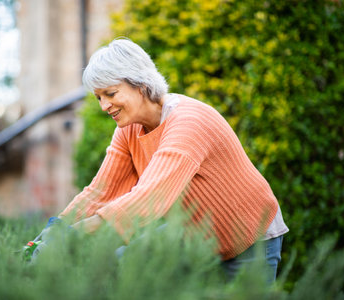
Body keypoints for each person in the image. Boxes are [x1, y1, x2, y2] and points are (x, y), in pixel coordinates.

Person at [52, 38, 289, 282]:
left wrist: (74, 235)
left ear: (140, 83)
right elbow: (101, 191)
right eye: (98, 97)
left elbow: (149, 198)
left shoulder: (188, 122)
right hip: (197, 234)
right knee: (128, 263)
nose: (104, 106)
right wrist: (54, 231)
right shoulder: (129, 129)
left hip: (248, 235)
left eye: (110, 94)